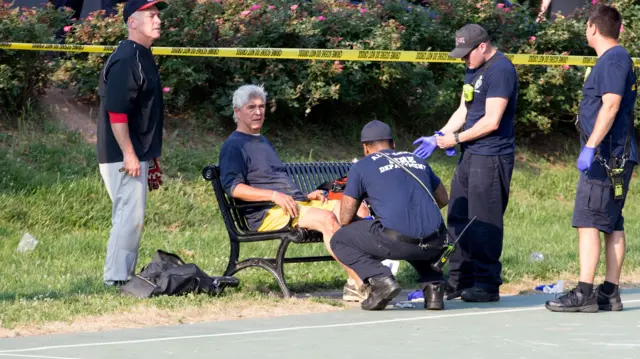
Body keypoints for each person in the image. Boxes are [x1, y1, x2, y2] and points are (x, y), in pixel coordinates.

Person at [218, 84, 370, 301]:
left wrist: (305, 196)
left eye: (261, 106)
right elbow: (234, 188)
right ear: (237, 112)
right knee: (327, 218)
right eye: (251, 107)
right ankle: (362, 283)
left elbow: (275, 180)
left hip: (293, 205)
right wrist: (273, 196)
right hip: (267, 213)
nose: (258, 112)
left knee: (358, 209)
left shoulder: (262, 141)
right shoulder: (233, 147)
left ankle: (356, 280)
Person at [413, 24, 518, 302]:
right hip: (470, 154)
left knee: (483, 221)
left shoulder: (501, 70)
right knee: (458, 216)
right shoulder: (474, 67)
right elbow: (464, 109)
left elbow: (492, 120)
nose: (463, 59)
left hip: (492, 156)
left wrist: (455, 139)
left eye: (466, 53)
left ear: (482, 46)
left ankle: (486, 283)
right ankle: (460, 280)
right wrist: (439, 136)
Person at [546, 4, 637, 313]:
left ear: (593, 28)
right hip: (614, 154)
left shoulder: (613, 60)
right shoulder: (615, 59)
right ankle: (609, 292)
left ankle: (584, 293)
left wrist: (591, 147)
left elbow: (610, 105)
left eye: (586, 26)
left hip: (606, 157)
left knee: (588, 221)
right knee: (612, 222)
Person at [330, 120, 450, 311]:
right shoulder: (417, 160)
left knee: (339, 240)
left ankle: (381, 280)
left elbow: (345, 218)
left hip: (397, 242)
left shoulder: (362, 166)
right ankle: (434, 285)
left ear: (365, 148)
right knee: (415, 236)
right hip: (437, 241)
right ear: (393, 144)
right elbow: (443, 199)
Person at [96, 0, 168, 287]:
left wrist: (150, 159)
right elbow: (117, 111)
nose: (158, 19)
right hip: (121, 153)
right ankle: (116, 278)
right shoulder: (128, 57)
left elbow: (144, 114)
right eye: (151, 14)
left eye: (158, 14)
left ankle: (122, 275)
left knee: (132, 217)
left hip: (136, 152)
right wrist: (129, 154)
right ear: (132, 22)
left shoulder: (142, 54)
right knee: (128, 217)